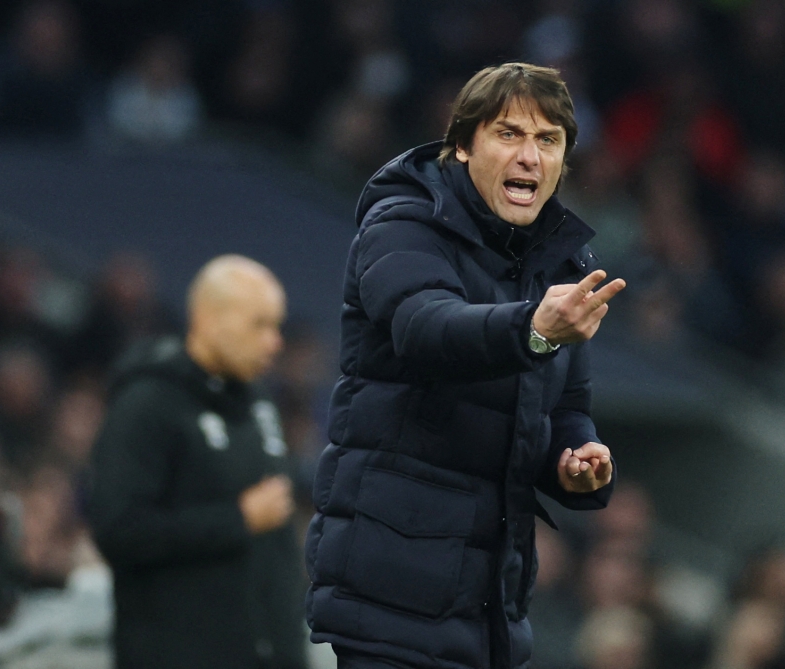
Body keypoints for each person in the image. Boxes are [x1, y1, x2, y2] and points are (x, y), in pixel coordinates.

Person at [305, 62, 625, 669]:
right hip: (391, 602)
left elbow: (566, 408)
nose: (530, 156)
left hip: (490, 612)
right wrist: (531, 330)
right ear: (460, 146)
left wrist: (577, 462)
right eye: (509, 134)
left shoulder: (561, 264)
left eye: (548, 140)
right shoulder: (404, 223)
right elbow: (425, 330)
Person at [87, 255, 307, 669]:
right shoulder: (146, 404)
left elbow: (275, 537)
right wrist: (236, 520)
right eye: (258, 325)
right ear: (208, 319)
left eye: (276, 326)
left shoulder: (258, 399)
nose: (274, 342)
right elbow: (118, 529)